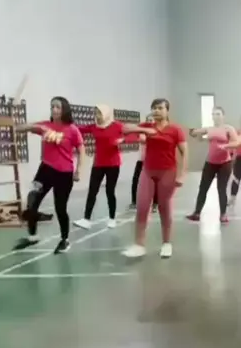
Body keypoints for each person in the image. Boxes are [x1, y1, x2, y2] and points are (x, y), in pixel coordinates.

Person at [13, 96, 85, 254]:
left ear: (64, 109)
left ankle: (65, 240)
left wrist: (78, 170)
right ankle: (33, 236)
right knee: (32, 201)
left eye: (57, 107)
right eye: (52, 107)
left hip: (64, 174)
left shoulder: (72, 129)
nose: (54, 109)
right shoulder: (46, 125)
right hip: (45, 170)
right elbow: (20, 128)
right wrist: (32, 126)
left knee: (60, 208)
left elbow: (81, 150)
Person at [122, 99, 187, 259]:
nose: (156, 111)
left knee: (165, 207)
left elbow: (185, 153)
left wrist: (182, 174)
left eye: (160, 108)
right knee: (142, 206)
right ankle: (139, 245)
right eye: (154, 108)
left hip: (167, 172)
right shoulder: (146, 126)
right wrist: (141, 129)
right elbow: (126, 130)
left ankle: (166, 243)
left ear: (167, 111)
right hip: (148, 171)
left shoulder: (175, 130)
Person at [72, 105, 153, 230]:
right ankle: (86, 219)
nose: (97, 116)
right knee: (92, 191)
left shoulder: (117, 126)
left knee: (110, 191)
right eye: (95, 114)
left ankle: (112, 218)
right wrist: (65, 125)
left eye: (99, 113)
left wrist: (123, 140)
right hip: (98, 164)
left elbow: (133, 135)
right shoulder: (94, 127)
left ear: (105, 114)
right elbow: (79, 129)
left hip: (113, 164)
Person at [186, 107, 240, 223]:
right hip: (210, 162)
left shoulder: (228, 128)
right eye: (213, 114)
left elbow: (236, 142)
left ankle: (223, 214)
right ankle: (197, 213)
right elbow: (197, 135)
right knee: (203, 188)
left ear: (223, 116)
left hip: (224, 163)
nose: (215, 116)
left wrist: (225, 146)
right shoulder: (209, 129)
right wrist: (193, 132)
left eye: (218, 114)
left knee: (221, 189)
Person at [129, 115, 159, 212]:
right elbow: (141, 139)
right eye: (148, 120)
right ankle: (134, 202)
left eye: (152, 120)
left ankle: (155, 204)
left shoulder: (157, 132)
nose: (150, 122)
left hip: (153, 161)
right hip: (141, 161)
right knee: (135, 180)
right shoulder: (142, 132)